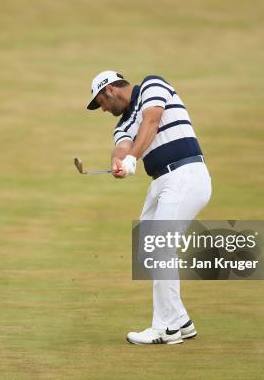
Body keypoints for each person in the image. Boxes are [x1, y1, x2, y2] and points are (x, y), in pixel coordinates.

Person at [86, 70, 212, 345]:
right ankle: (180, 320)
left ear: (110, 90)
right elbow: (121, 146)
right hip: (161, 183)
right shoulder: (122, 124)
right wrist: (121, 161)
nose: (103, 109)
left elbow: (152, 120)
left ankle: (165, 329)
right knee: (149, 248)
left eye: (102, 102)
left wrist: (133, 157)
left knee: (161, 245)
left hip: (186, 174)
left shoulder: (152, 85)